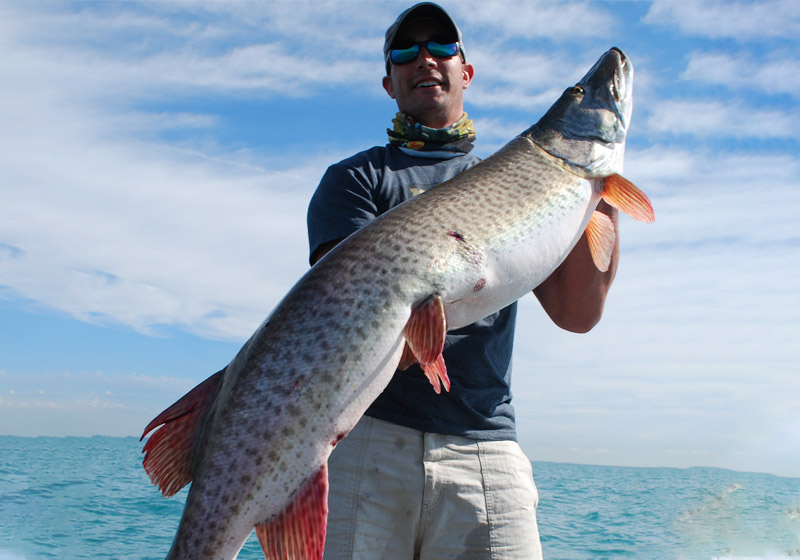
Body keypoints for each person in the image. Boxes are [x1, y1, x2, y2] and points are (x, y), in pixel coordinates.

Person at [306, 3, 619, 559]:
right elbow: (346, 329)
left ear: (465, 71)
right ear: (389, 82)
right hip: (371, 437)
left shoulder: (526, 175)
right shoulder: (356, 179)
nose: (424, 58)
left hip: (485, 444)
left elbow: (578, 314)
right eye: (406, 51)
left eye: (441, 46)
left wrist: (599, 197)